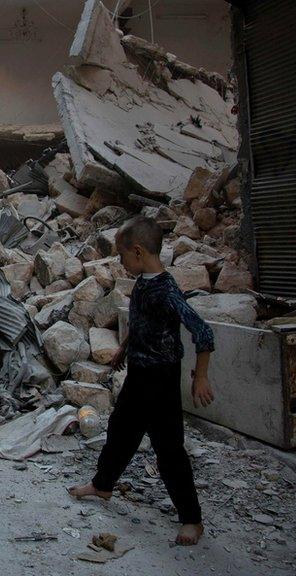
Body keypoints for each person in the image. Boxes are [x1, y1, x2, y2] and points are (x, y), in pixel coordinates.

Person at [67, 216, 215, 546]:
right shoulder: (144, 284)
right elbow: (141, 321)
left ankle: (192, 519)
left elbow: (203, 332)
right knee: (121, 431)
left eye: (121, 256)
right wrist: (124, 348)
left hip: (161, 379)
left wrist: (200, 377)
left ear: (137, 252)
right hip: (139, 373)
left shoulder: (167, 290)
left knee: (169, 449)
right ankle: (103, 485)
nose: (119, 262)